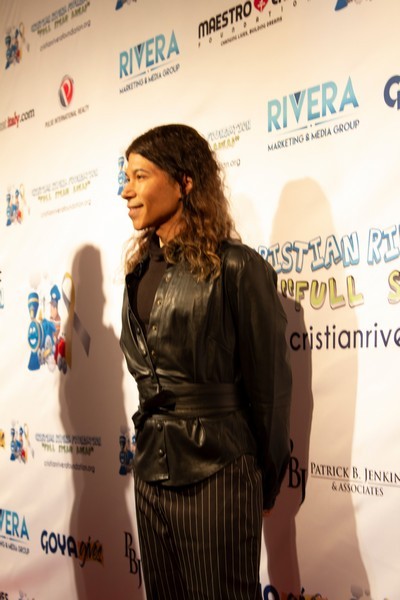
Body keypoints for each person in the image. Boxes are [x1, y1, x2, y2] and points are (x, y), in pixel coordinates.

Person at [119, 124, 292, 600]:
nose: (126, 191)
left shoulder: (236, 266)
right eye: (126, 178)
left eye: (140, 176)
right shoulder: (137, 272)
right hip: (150, 471)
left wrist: (266, 478)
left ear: (185, 182)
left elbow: (271, 388)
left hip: (219, 472)